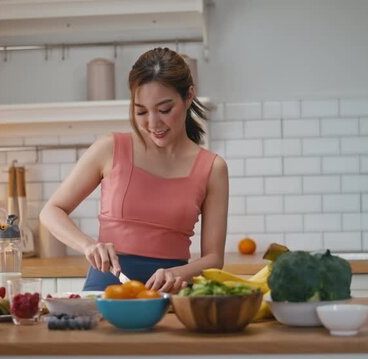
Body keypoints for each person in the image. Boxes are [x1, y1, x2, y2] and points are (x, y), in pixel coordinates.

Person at [39, 47, 229, 293]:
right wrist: (88, 245)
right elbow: (51, 211)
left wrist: (177, 273)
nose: (152, 123)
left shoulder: (212, 168)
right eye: (141, 111)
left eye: (164, 110)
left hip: (169, 295)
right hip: (106, 290)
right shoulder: (110, 147)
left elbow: (214, 259)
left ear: (189, 96)